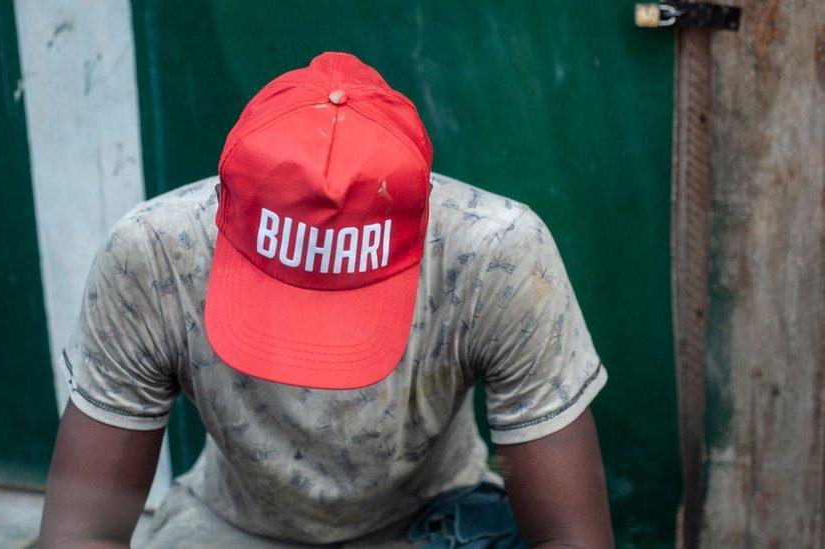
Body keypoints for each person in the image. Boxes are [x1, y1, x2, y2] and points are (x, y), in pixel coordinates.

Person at [38, 52, 613, 548]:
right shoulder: (158, 254)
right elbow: (81, 529)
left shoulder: (495, 256)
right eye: (287, 295)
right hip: (238, 526)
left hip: (427, 519)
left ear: (420, 220)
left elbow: (570, 535)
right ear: (226, 207)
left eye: (349, 305)